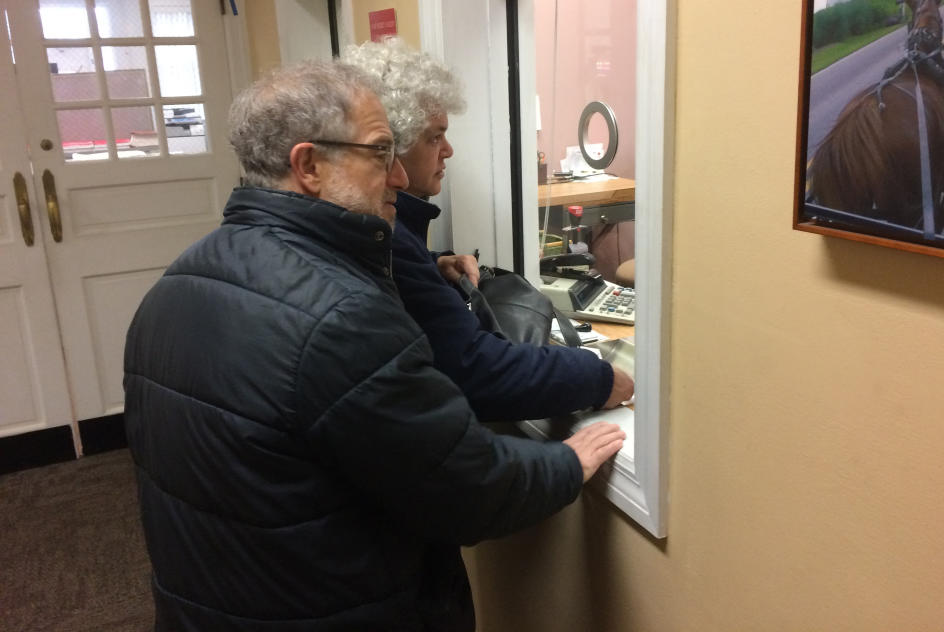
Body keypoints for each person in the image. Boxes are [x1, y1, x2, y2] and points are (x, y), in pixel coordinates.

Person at [123, 59, 626, 632]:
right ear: (309, 165)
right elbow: (467, 490)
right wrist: (566, 462)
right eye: (380, 153)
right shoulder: (343, 320)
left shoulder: (178, 282)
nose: (400, 179)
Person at [342, 37, 634, 421]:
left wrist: (433, 263)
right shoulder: (390, 238)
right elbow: (476, 371)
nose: (448, 150)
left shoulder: (386, 231)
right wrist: (599, 378)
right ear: (389, 147)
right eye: (434, 137)